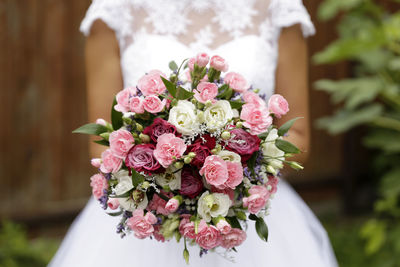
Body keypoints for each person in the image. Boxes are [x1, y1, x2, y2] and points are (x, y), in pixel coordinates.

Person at [49, 0, 338, 266]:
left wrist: (233, 169)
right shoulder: (114, 8)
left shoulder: (280, 6)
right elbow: (102, 143)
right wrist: (167, 181)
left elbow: (298, 137)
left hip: (249, 217)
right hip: (148, 217)